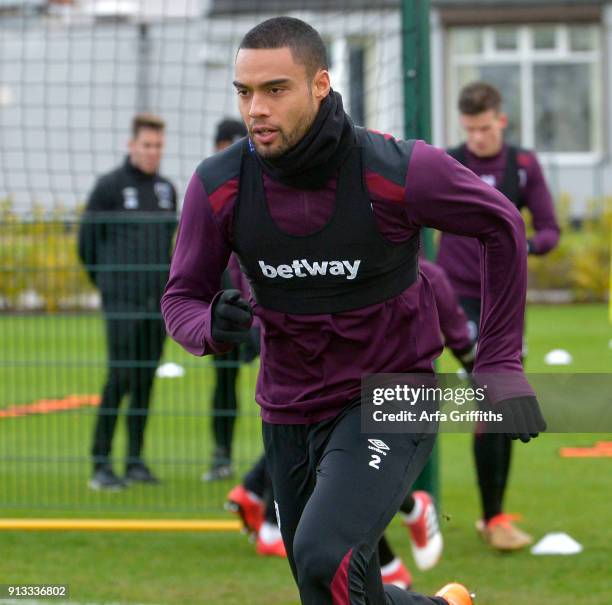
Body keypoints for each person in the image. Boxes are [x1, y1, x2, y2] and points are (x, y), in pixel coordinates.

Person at [162, 17, 545, 605]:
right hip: (288, 406)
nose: (255, 109)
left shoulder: (394, 169)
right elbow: (181, 297)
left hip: (392, 393)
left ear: (320, 84)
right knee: (329, 586)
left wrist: (498, 364)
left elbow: (501, 223)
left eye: (275, 89)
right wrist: (207, 325)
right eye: (244, 92)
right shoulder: (219, 184)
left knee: (325, 557)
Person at [436, 82, 560, 551]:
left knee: (499, 406)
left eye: (485, 128)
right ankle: (479, 518)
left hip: (503, 303)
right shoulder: (446, 163)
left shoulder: (522, 167)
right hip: (452, 300)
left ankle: (494, 517)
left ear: (501, 121)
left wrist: (521, 247)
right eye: (470, 129)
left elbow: (550, 230)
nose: (478, 138)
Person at [79, 113, 177, 490]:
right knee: (119, 376)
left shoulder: (167, 190)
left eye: (158, 146)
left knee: (144, 380)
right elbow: (87, 244)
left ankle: (134, 460)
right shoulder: (109, 187)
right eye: (147, 145)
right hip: (122, 300)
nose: (153, 152)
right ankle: (101, 463)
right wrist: (108, 285)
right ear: (131, 145)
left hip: (157, 303)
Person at [202, 118, 250, 482]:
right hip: (229, 307)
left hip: (272, 304)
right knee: (225, 383)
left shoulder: (264, 183)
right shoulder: (210, 190)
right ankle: (222, 455)